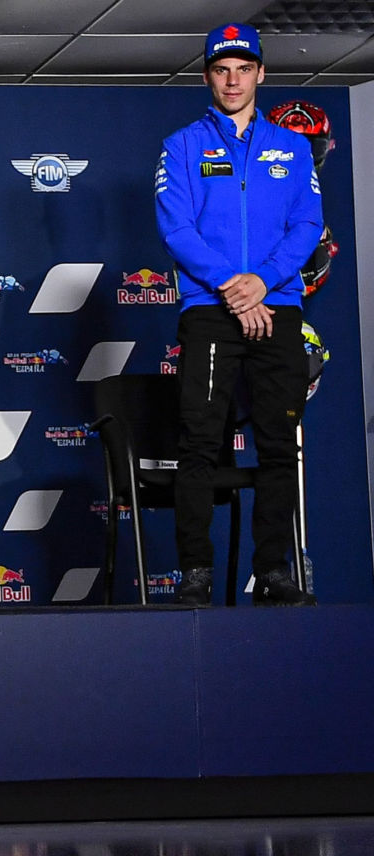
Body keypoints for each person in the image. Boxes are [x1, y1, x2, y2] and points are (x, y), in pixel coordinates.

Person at [156, 22, 321, 606]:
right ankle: (195, 573)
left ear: (260, 75)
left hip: (277, 307)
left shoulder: (294, 147)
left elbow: (306, 226)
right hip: (209, 310)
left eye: (243, 69)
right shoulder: (181, 145)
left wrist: (262, 283)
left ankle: (273, 573)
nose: (232, 79)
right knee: (200, 442)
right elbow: (177, 228)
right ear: (207, 77)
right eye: (221, 70)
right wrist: (233, 287)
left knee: (279, 443)